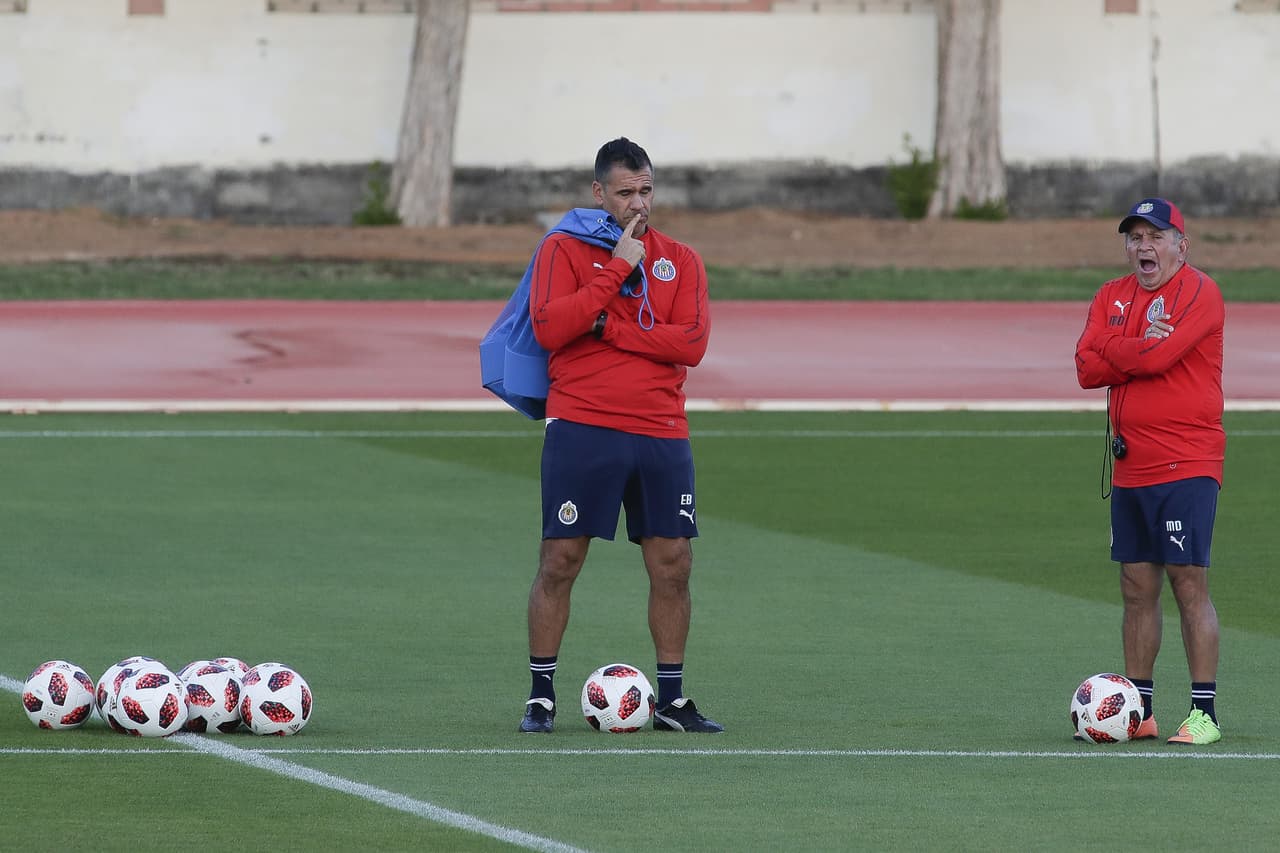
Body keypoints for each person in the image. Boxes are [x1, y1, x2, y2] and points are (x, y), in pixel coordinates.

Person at [517, 137, 721, 734]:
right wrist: (615, 271)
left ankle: (674, 700)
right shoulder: (562, 249)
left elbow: (691, 345)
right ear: (598, 193)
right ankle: (540, 696)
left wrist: (606, 326)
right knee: (560, 558)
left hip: (660, 428)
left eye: (647, 191)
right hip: (583, 422)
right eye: (626, 192)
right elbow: (554, 325)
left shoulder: (681, 259)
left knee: (674, 562)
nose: (639, 204)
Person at [1074, 197, 1226, 745]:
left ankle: (1204, 713)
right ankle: (1138, 712)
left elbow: (1159, 361)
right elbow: (1085, 367)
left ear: (1181, 246)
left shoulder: (1199, 292)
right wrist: (1136, 345)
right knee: (1136, 585)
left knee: (1188, 583)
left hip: (1187, 461)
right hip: (1130, 463)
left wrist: (1116, 351)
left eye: (1156, 236)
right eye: (1135, 237)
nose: (1144, 246)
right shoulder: (1109, 295)